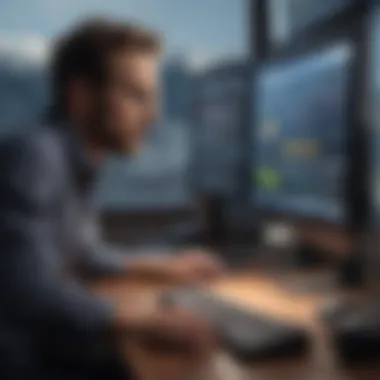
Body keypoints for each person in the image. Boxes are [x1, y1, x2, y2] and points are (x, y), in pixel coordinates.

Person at [0, 18, 222, 380]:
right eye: (137, 96)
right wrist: (143, 322)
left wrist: (161, 267)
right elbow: (27, 287)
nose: (153, 115)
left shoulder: (78, 162)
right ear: (82, 98)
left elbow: (82, 251)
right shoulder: (36, 156)